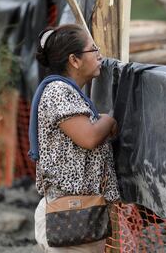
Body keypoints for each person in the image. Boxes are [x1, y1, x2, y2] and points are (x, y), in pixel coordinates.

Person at [29, 24, 120, 252]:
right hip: (69, 215)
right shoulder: (58, 91)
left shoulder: (69, 92)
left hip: (80, 213)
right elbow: (88, 138)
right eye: (93, 49)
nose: (99, 53)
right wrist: (107, 121)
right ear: (75, 60)